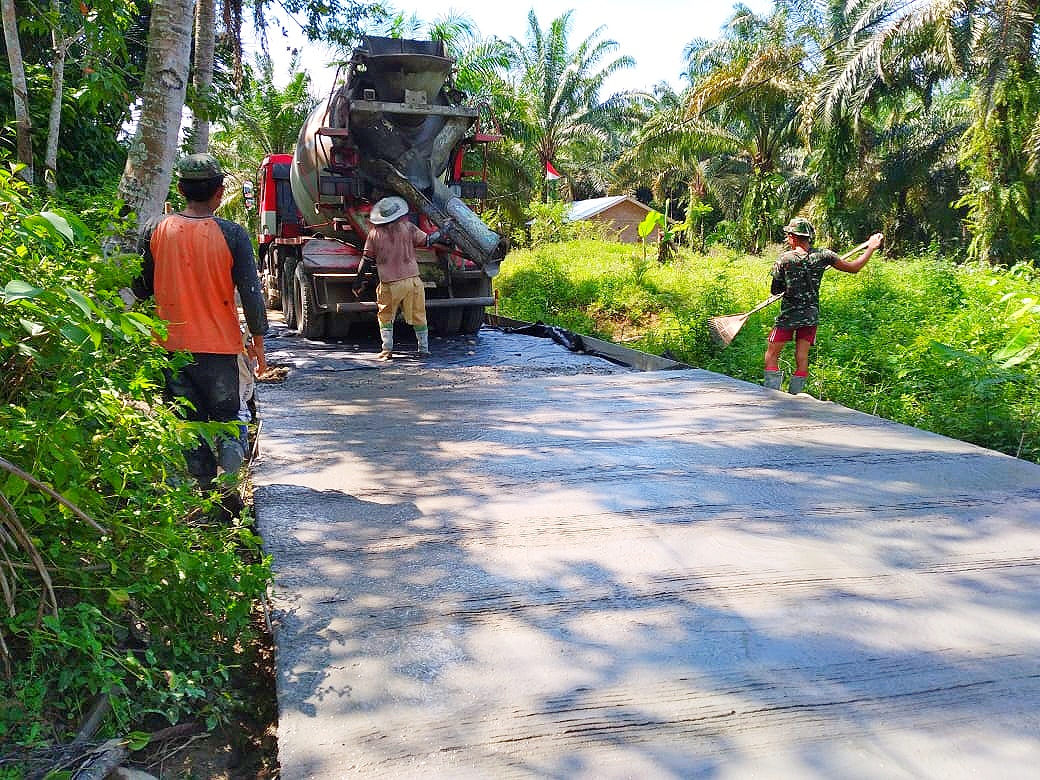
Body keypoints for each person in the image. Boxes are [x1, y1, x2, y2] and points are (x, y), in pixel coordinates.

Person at [132, 153, 268, 502]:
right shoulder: (232, 234)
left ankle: (203, 492)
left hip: (171, 349)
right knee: (227, 417)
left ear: (180, 189)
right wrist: (258, 347)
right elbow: (252, 295)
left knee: (188, 424)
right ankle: (231, 483)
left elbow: (141, 288)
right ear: (220, 193)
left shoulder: (155, 229)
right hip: (220, 349)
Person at [764, 218, 884, 394]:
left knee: (772, 355)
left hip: (788, 315)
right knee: (802, 357)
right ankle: (795, 397)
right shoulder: (824, 256)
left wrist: (789, 285)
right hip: (810, 316)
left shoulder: (784, 259)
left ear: (792, 237)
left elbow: (776, 290)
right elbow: (853, 268)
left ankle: (771, 395)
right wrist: (871, 249)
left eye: (788, 236)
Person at [352, 196, 451, 360]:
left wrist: (357, 282)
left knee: (386, 316)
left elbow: (366, 261)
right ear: (398, 214)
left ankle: (387, 350)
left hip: (390, 283)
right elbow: (428, 240)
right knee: (419, 314)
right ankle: (424, 349)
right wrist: (445, 229)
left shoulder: (374, 234)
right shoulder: (408, 228)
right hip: (413, 281)